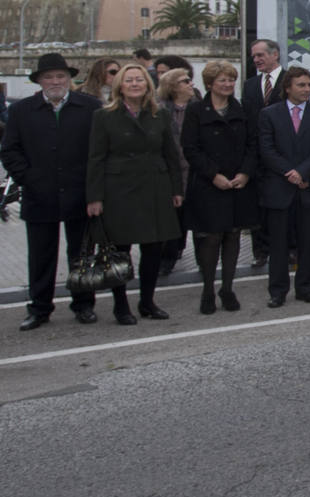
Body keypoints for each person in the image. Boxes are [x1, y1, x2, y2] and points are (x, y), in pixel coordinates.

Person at [3, 54, 98, 329]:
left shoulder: (90, 107)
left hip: (79, 194)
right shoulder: (22, 110)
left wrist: (93, 189)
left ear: (69, 79)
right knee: (41, 256)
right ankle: (39, 308)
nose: (55, 81)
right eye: (49, 77)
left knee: (81, 255)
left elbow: (99, 151)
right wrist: (28, 178)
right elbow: (9, 150)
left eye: (60, 76)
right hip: (39, 194)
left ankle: (83, 304)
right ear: (39, 81)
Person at [86, 61, 184, 324]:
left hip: (155, 188)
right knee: (120, 251)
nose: (134, 84)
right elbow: (96, 158)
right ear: (120, 85)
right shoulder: (104, 116)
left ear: (147, 84)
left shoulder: (159, 114)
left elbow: (171, 154)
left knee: (153, 249)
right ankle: (121, 306)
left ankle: (147, 302)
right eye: (128, 80)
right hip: (119, 191)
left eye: (139, 80)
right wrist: (94, 197)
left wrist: (176, 189)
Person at [181, 60, 260, 314]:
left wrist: (245, 173)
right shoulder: (195, 110)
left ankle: (227, 288)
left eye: (230, 80)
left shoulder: (244, 109)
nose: (227, 84)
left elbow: (253, 145)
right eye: (222, 80)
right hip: (208, 184)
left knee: (233, 235)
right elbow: (190, 148)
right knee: (211, 237)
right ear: (210, 84)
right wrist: (213, 175)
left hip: (238, 183)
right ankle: (207, 290)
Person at [257, 66, 310, 307]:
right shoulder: (270, 114)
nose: (306, 89)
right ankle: (278, 290)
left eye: (309, 85)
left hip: (308, 187)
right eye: (301, 85)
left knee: (307, 242)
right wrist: (289, 172)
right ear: (288, 87)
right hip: (280, 188)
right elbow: (267, 149)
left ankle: (305, 288)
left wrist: (302, 172)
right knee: (278, 243)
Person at [243, 38, 284, 266]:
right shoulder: (250, 85)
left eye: (260, 55)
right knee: (258, 206)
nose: (256, 60)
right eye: (254, 56)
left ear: (274, 54)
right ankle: (260, 251)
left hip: (284, 154)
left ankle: (289, 248)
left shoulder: (291, 80)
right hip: (257, 156)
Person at [155, 67, 195, 276]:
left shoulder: (198, 107)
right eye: (184, 81)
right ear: (172, 86)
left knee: (188, 215)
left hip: (195, 170)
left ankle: (180, 249)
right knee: (171, 216)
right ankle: (167, 258)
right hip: (171, 171)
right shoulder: (160, 110)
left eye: (190, 80)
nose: (190, 84)